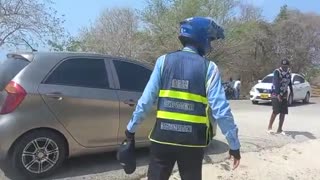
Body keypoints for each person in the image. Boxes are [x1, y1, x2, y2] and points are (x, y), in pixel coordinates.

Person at [124, 17, 241, 180]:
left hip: (162, 138)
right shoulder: (209, 68)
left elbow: (145, 101)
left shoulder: (163, 61)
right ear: (201, 38)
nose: (210, 45)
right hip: (193, 143)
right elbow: (221, 111)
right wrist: (234, 145)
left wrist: (131, 129)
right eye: (210, 40)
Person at [267, 59, 293, 135]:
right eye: (283, 66)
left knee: (283, 112)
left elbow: (289, 82)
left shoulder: (289, 72)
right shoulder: (277, 72)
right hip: (275, 93)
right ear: (281, 65)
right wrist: (278, 94)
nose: (285, 67)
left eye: (286, 66)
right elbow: (276, 83)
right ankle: (269, 127)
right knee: (276, 111)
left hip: (284, 93)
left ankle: (280, 129)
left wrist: (291, 91)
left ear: (288, 66)